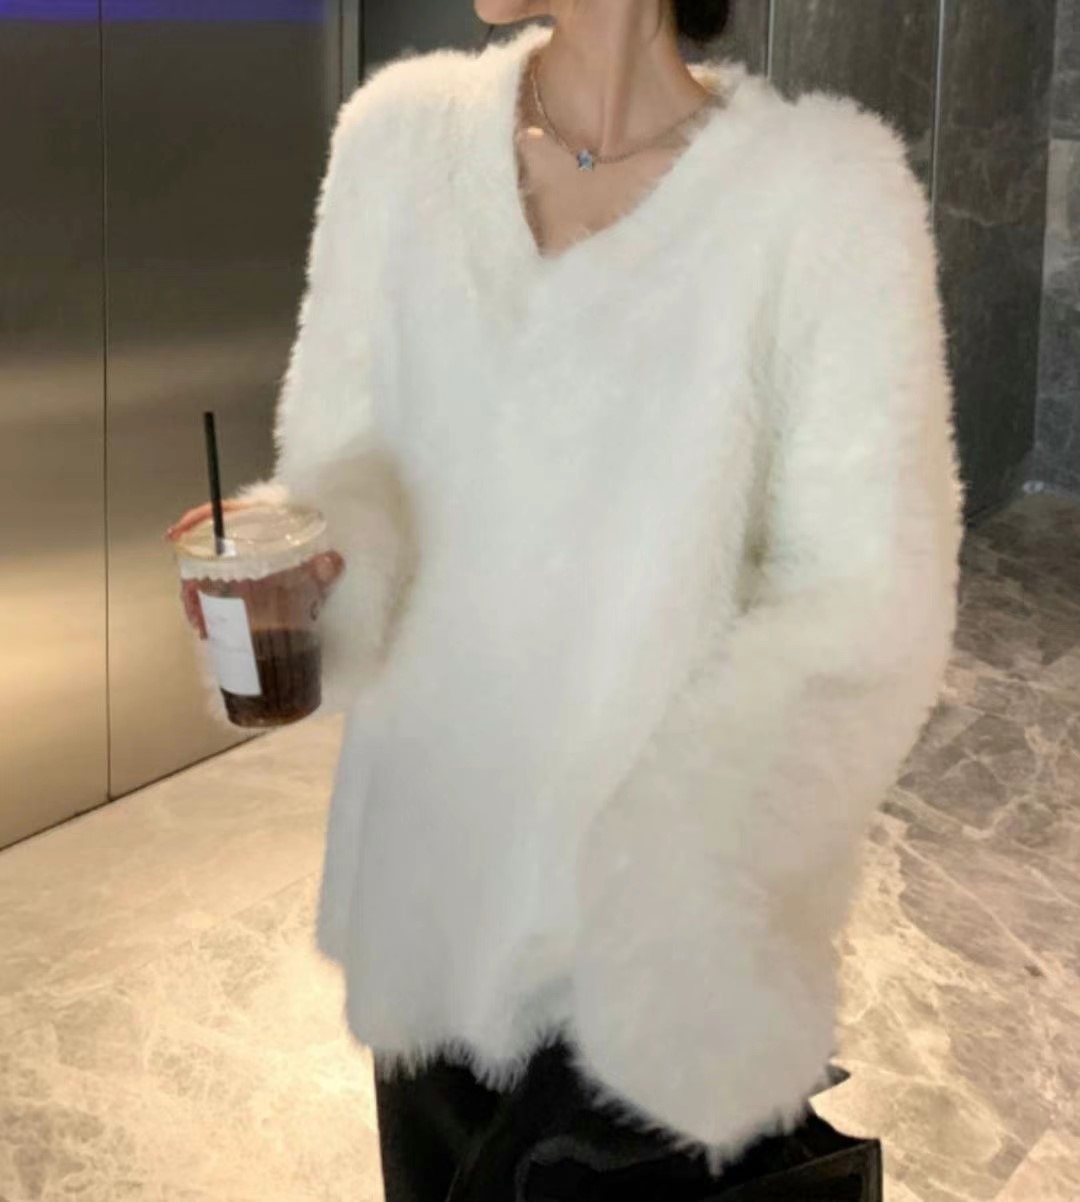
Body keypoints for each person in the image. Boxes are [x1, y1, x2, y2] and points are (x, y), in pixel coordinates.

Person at [168, 1, 966, 1197]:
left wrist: (681, 868)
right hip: (432, 888)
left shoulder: (823, 199)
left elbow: (864, 603)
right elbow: (345, 466)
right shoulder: (400, 144)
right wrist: (303, 579)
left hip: (657, 939)